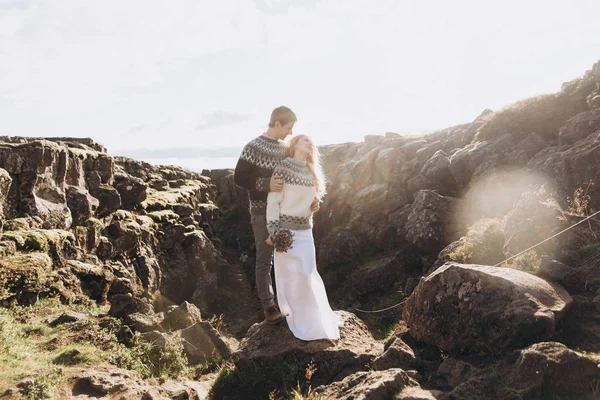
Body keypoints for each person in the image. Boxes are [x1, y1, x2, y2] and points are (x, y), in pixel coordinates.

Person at [234, 106, 320, 324]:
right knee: (265, 258)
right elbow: (239, 177)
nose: (290, 133)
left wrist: (309, 200)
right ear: (277, 124)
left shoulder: (285, 149)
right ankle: (269, 306)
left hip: (286, 213)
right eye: (288, 128)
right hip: (261, 211)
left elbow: (297, 173)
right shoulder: (252, 147)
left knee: (288, 259)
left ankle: (294, 304)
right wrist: (266, 184)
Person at [266, 135, 342, 341]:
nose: (309, 143)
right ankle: (298, 317)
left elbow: (310, 200)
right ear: (294, 145)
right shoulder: (283, 167)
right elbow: (274, 200)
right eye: (304, 140)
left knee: (308, 274)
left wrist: (314, 205)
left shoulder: (311, 170)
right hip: (285, 232)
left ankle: (314, 318)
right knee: (291, 276)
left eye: (311, 141)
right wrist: (273, 231)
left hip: (305, 231)